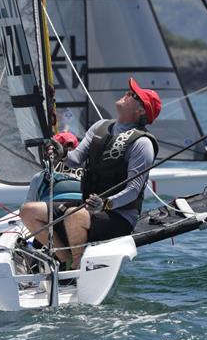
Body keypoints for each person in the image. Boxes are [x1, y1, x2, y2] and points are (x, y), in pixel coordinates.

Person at [19, 78, 161, 268]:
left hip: (118, 216)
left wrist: (106, 204)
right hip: (85, 208)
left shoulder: (142, 144)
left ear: (141, 110)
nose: (127, 94)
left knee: (73, 215)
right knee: (28, 211)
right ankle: (65, 260)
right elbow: (75, 159)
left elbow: (134, 190)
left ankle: (78, 267)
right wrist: (61, 153)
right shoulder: (100, 127)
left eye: (133, 95)